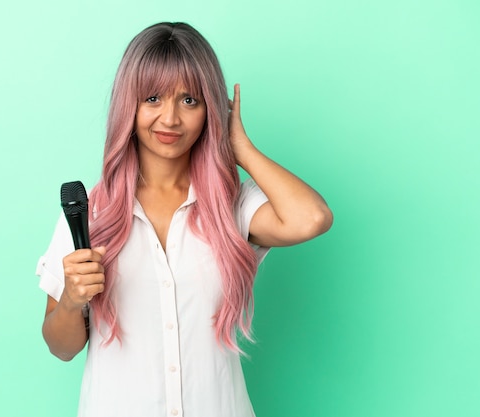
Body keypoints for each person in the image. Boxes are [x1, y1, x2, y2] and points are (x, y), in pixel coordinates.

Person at [36, 22, 332, 417]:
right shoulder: (90, 212)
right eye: (153, 98)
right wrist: (72, 301)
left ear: (211, 108)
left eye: (190, 100)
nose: (170, 119)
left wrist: (239, 148)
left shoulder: (233, 205)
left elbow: (312, 218)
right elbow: (61, 348)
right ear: (130, 104)